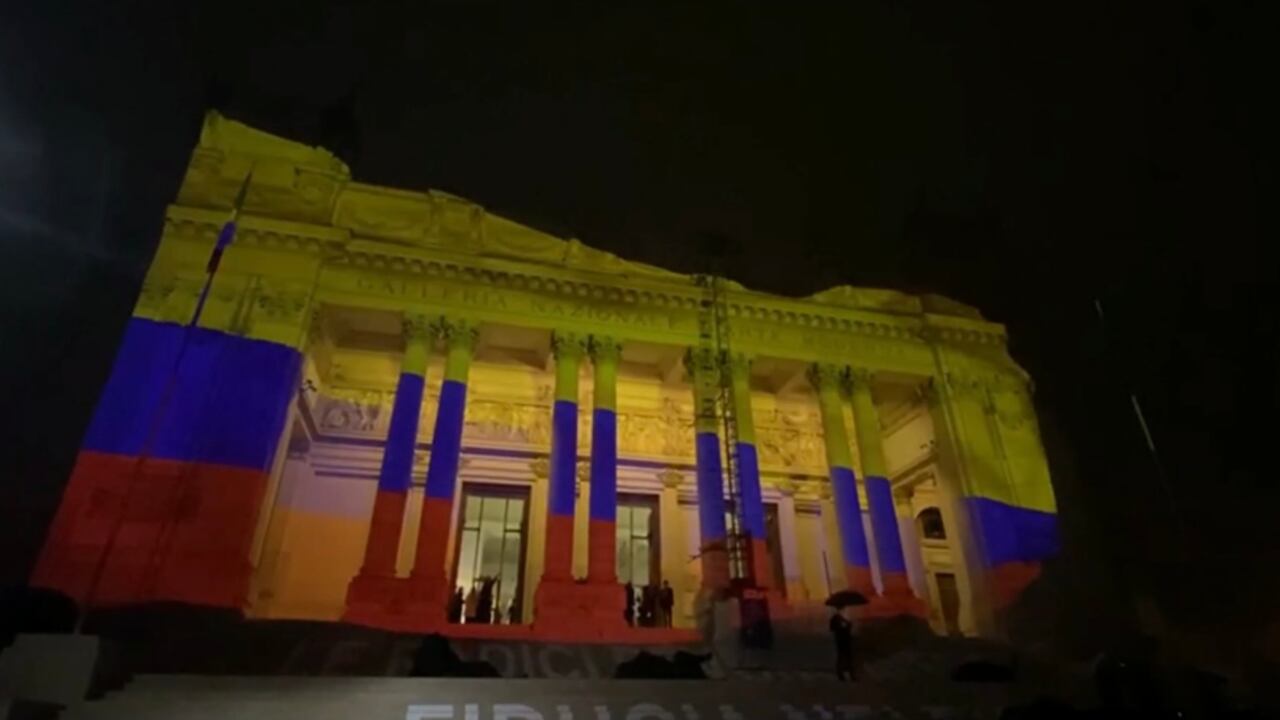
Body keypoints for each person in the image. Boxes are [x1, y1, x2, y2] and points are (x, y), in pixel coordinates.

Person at [829, 606, 855, 681]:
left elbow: (832, 628)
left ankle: (843, 674)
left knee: (843, 657)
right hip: (843, 640)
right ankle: (846, 674)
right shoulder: (837, 618)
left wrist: (846, 624)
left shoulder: (838, 618)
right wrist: (846, 625)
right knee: (846, 657)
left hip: (841, 640)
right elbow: (834, 628)